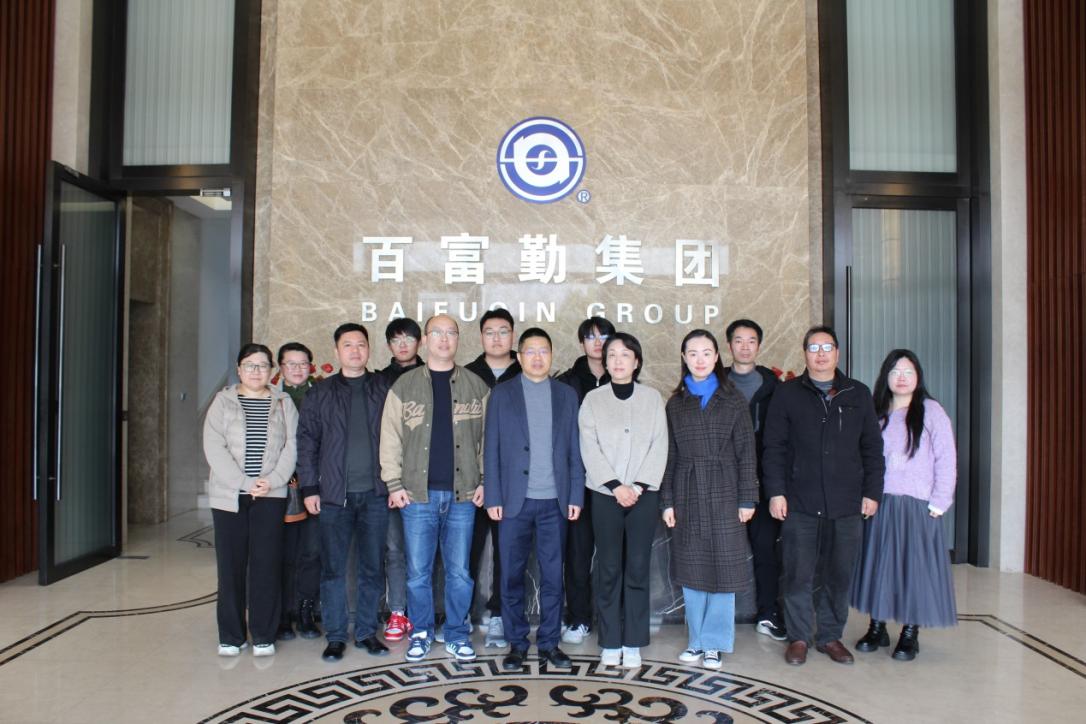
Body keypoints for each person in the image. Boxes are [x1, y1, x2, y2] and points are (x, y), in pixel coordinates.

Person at [762, 326, 885, 666]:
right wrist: (776, 492)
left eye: (826, 347)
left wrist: (872, 491)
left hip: (847, 502)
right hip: (799, 501)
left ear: (837, 353)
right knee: (798, 573)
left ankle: (830, 636)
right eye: (813, 348)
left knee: (839, 574)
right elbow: (774, 447)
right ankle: (799, 637)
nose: (820, 354)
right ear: (805, 354)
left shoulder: (857, 393)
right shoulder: (787, 393)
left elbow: (872, 448)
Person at [380, 314, 490, 663]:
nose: (444, 339)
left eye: (451, 333)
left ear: (458, 339)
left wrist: (485, 480)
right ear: (425, 340)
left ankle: (457, 633)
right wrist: (393, 483)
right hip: (416, 495)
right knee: (418, 573)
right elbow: (390, 438)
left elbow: (488, 440)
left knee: (459, 572)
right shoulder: (404, 386)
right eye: (437, 333)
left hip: (463, 495)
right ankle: (422, 632)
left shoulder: (476, 386)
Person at [483, 328, 585, 671]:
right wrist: (493, 495)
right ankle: (516, 643)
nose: (537, 357)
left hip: (555, 501)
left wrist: (575, 493)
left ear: (552, 355)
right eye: (530, 351)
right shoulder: (502, 394)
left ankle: (549, 643)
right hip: (514, 501)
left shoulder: (566, 395)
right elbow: (492, 449)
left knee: (553, 577)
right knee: (510, 576)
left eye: (544, 351)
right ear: (519, 356)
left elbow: (574, 449)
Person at [851, 349, 958, 661]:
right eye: (895, 371)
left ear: (918, 377)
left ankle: (910, 632)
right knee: (878, 566)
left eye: (908, 372)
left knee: (914, 569)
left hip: (917, 505)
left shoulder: (931, 411)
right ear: (885, 376)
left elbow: (946, 458)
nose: (901, 378)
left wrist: (941, 500)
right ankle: (877, 626)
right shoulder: (876, 412)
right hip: (880, 501)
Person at [661, 330, 758, 670]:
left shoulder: (733, 400)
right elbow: (669, 455)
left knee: (724, 568)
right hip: (687, 490)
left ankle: (714, 643)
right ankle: (696, 640)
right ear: (684, 358)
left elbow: (747, 453)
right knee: (692, 568)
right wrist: (667, 500)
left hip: (725, 489)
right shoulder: (675, 403)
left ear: (717, 357)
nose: (700, 359)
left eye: (706, 352)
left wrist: (747, 499)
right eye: (693, 353)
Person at [298, 324, 392, 663]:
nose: (355, 350)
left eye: (361, 344)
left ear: (369, 349)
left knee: (372, 567)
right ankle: (336, 635)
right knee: (334, 569)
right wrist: (310, 487)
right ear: (337, 351)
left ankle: (366, 632)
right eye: (348, 345)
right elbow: (307, 442)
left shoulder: (384, 388)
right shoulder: (320, 393)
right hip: (333, 496)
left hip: (377, 494)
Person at [579, 332, 668, 669]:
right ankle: (610, 640)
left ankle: (633, 641)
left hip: (644, 495)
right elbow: (589, 447)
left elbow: (659, 444)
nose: (618, 360)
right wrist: (616, 486)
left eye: (625, 354)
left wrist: (638, 486)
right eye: (612, 354)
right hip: (605, 495)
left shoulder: (652, 398)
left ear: (637, 361)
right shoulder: (593, 400)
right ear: (605, 361)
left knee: (638, 567)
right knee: (608, 568)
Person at [204, 343, 298, 657]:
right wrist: (245, 483)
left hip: (271, 495)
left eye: (263, 365)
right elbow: (214, 447)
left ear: (272, 370)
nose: (257, 371)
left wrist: (273, 480)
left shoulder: (283, 402)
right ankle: (231, 636)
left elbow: (292, 446)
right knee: (230, 567)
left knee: (266, 564)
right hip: (229, 496)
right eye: (250, 365)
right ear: (239, 369)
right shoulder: (223, 401)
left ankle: (263, 634)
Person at [724, 319, 785, 641]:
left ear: (759, 346)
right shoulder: (715, 382)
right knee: (721, 549)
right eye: (739, 340)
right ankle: (718, 619)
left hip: (762, 482)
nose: (745, 346)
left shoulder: (775, 387)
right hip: (722, 482)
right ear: (729, 345)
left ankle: (768, 614)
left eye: (751, 341)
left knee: (765, 549)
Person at [556, 316, 616, 645]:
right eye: (590, 337)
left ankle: (611, 619)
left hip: (614, 482)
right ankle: (578, 618)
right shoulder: (566, 383)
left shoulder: (623, 378)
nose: (598, 342)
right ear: (581, 343)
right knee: (577, 555)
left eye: (604, 336)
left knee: (612, 556)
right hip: (577, 481)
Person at [465, 308, 521, 648]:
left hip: (514, 481)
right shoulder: (466, 374)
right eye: (490, 331)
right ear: (481, 336)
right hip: (470, 481)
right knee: (465, 552)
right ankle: (461, 615)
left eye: (503, 331)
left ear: (513, 335)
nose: (497, 338)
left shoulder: (526, 372)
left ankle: (500, 614)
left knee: (508, 552)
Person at [379, 317, 424, 643]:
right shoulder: (379, 382)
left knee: (428, 552)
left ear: (420, 342)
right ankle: (397, 610)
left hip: (428, 479)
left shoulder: (434, 375)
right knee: (395, 548)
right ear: (389, 346)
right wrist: (390, 479)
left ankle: (427, 612)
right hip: (393, 480)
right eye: (396, 340)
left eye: (409, 338)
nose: (403, 344)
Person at [276, 341, 322, 641]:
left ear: (311, 367)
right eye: (290, 364)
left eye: (302, 363)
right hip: (280, 487)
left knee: (312, 551)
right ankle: (282, 614)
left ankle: (306, 611)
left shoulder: (321, 394)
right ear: (280, 367)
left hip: (316, 486)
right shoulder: (271, 396)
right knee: (282, 553)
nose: (296, 369)